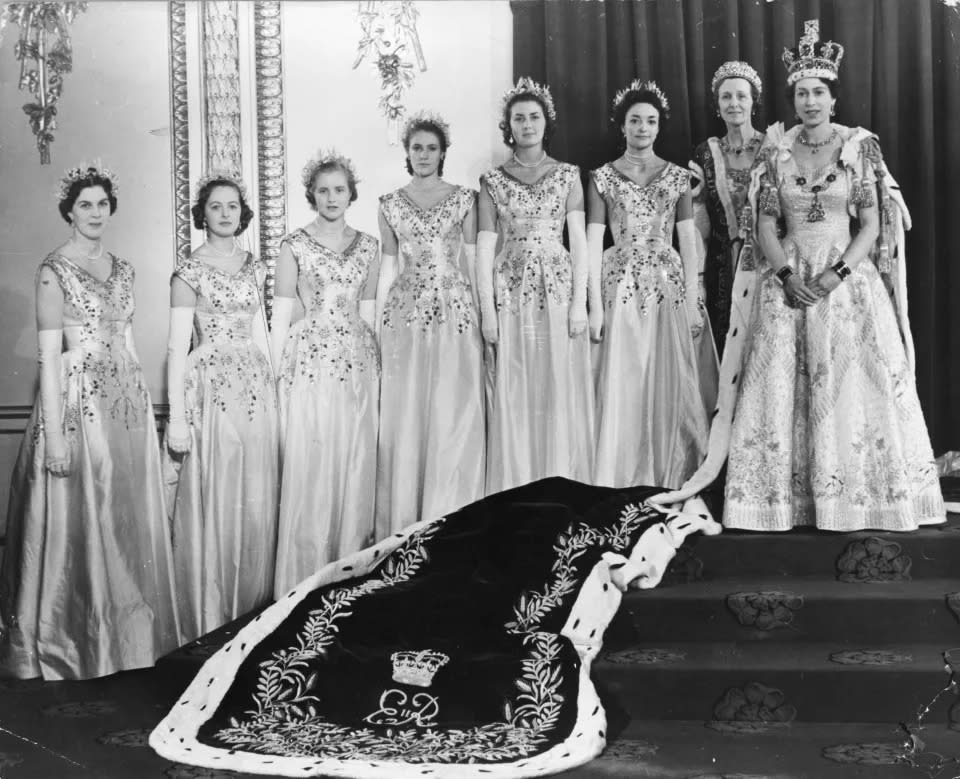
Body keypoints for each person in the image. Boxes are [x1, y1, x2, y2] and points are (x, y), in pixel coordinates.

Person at [654, 20, 945, 531]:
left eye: (819, 93)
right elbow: (765, 224)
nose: (810, 101)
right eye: (802, 93)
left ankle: (857, 497)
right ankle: (782, 503)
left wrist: (836, 273)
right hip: (788, 277)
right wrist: (787, 273)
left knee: (852, 387)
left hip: (844, 278)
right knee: (781, 387)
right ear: (793, 100)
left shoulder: (858, 148)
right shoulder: (776, 153)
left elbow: (872, 222)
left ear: (833, 99)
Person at [0, 163, 179, 679]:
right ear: (69, 211)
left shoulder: (124, 269)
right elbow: (48, 358)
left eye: (102, 203)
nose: (95, 213)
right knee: (84, 512)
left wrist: (143, 408)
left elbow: (125, 342)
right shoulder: (54, 269)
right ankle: (76, 636)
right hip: (77, 404)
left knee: (121, 515)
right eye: (86, 205)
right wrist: (54, 436)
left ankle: (130, 637)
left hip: (125, 405)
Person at [164, 173, 279, 642]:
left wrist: (277, 391)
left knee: (255, 494)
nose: (226, 213)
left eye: (233, 205)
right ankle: (211, 613)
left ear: (242, 213)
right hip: (209, 391)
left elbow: (263, 336)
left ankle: (253, 609)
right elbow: (175, 348)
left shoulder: (256, 267)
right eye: (216, 206)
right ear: (202, 214)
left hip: (254, 387)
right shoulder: (187, 272)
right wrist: (176, 418)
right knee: (217, 492)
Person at [588, 80, 716, 489]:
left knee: (667, 374)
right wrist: (592, 303)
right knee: (625, 372)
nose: (642, 128)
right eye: (634, 121)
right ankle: (620, 472)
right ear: (621, 126)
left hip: (667, 281)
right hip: (619, 282)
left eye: (650, 121)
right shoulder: (602, 178)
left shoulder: (676, 177)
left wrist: (694, 299)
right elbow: (592, 242)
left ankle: (669, 469)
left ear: (659, 127)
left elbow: (689, 241)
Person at [270, 151, 380, 595]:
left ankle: (349, 579)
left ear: (351, 193)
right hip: (311, 362)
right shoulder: (292, 245)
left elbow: (370, 314)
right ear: (311, 196)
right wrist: (275, 377)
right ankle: (304, 580)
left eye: (339, 189)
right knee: (313, 461)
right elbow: (280, 319)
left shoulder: (370, 246)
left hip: (358, 363)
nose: (331, 197)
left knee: (355, 462)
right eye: (323, 190)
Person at [478, 77, 595, 493]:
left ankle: (561, 477)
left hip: (559, 285)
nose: (527, 124)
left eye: (534, 117)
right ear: (508, 126)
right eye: (518, 118)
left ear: (547, 122)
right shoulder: (492, 181)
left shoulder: (567, 175)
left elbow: (579, 241)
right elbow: (484, 248)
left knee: (557, 377)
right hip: (511, 287)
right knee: (517, 377)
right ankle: (520, 480)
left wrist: (580, 303)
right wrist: (487, 313)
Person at [374, 111, 485, 534]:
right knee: (410, 408)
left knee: (452, 404)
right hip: (404, 316)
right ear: (407, 152)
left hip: (455, 309)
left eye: (431, 148)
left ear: (443, 153)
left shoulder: (464, 199)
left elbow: (473, 261)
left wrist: (482, 315)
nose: (424, 154)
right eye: (417, 147)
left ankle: (452, 510)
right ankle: (408, 515)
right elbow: (387, 268)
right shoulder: (389, 204)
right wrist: (379, 325)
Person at [690, 61, 766, 356]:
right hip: (723, 268)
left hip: (767, 260)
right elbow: (700, 221)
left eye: (741, 96)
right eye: (726, 97)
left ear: (753, 102)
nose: (734, 103)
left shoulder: (775, 146)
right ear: (717, 105)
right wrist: (697, 279)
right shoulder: (705, 153)